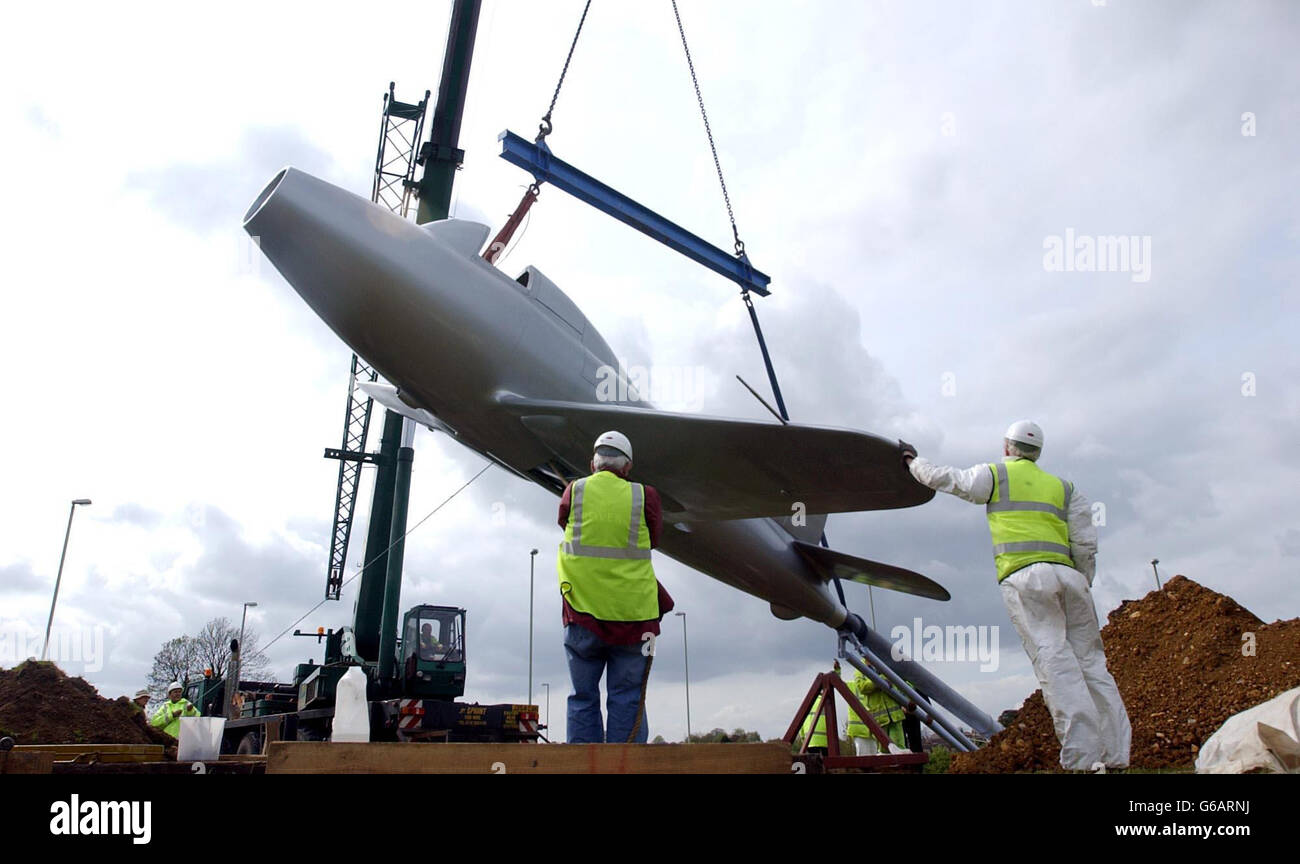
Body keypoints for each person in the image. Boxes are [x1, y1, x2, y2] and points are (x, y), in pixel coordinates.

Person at [903, 421, 1131, 771]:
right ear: (1038, 453)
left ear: (1007, 447)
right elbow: (1085, 544)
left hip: (1026, 578)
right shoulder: (1065, 488)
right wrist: (1081, 582)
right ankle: (1116, 756)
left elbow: (951, 480)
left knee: (1056, 663)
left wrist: (913, 463)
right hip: (1070, 577)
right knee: (1092, 666)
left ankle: (1082, 760)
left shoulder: (997, 474)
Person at [557, 431, 674, 744]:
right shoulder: (645, 496)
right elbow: (655, 538)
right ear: (627, 467)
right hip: (633, 618)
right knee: (627, 698)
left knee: (582, 697)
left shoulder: (574, 491)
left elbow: (563, 522)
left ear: (592, 464)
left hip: (581, 615)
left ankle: (584, 765)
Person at [846, 668, 907, 755]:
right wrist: (878, 682)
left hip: (894, 715)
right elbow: (862, 687)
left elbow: (901, 683)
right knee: (884, 749)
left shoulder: (884, 666)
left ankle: (901, 764)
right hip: (881, 717)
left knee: (899, 746)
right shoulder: (860, 670)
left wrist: (906, 701)